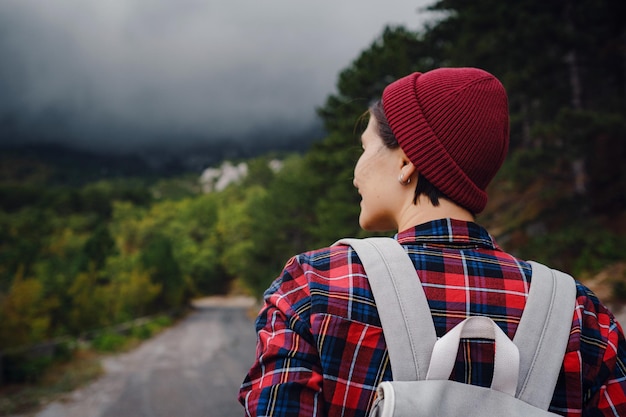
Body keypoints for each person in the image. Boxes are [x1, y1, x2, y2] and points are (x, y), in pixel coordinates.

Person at [238, 67, 626, 417]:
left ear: (406, 161)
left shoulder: (314, 283)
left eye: (365, 148)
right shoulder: (580, 313)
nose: (356, 172)